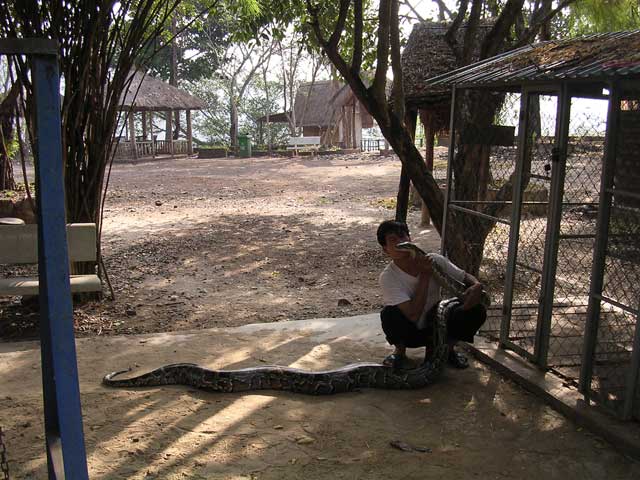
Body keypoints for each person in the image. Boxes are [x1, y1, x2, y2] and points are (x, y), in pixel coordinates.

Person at [376, 220, 486, 369]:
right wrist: (425, 275)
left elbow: (465, 277)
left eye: (403, 237)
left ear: (410, 239)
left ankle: (448, 349)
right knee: (389, 314)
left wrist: (477, 285)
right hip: (412, 331)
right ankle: (400, 352)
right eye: (393, 240)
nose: (400, 243)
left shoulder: (435, 260)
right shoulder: (388, 277)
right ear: (386, 250)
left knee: (477, 310)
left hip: (437, 322)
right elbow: (413, 314)